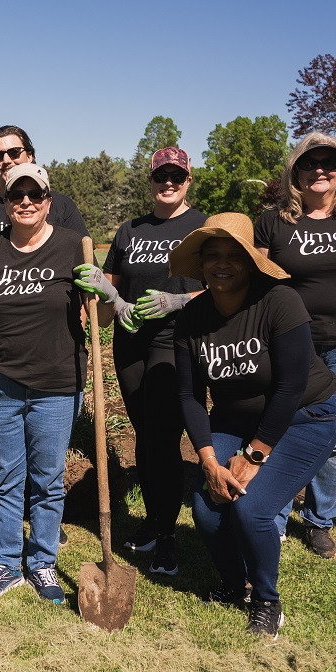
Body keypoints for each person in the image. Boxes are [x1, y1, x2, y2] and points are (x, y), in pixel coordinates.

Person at [168, 213, 336, 640]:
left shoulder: (279, 301)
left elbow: (290, 386)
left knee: (251, 508)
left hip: (305, 415)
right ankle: (235, 584)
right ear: (201, 264)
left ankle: (267, 600)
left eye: (233, 255)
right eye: (213, 256)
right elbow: (190, 396)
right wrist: (208, 459)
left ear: (250, 261)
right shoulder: (192, 318)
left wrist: (255, 455)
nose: (222, 264)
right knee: (208, 507)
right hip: (234, 416)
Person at [0, 162, 85, 605]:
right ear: (6, 202)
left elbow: (98, 315)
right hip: (0, 380)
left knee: (48, 478)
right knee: (6, 475)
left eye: (35, 195)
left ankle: (43, 562)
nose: (26, 202)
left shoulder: (73, 246)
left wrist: (105, 292)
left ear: (49, 201)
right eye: (16, 195)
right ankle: (5, 561)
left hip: (56, 382)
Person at [254, 133, 336, 558]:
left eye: (331, 162)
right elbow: (256, 277)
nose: (320, 170)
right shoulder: (274, 221)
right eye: (310, 163)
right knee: (281, 423)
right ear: (296, 171)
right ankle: (275, 512)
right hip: (292, 338)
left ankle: (320, 520)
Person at [97, 146, 207, 576]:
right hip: (130, 345)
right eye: (160, 176)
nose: (168, 183)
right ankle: (153, 522)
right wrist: (111, 298)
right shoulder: (130, 230)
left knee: (163, 438)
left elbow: (227, 286)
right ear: (150, 180)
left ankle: (167, 537)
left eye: (176, 177)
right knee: (145, 435)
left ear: (188, 181)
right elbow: (108, 295)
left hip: (176, 343)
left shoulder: (202, 226)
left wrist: (179, 300)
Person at [0, 125, 89, 322]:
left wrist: (76, 334)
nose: (6, 160)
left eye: (14, 152)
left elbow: (82, 277)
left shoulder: (62, 207)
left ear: (30, 155)